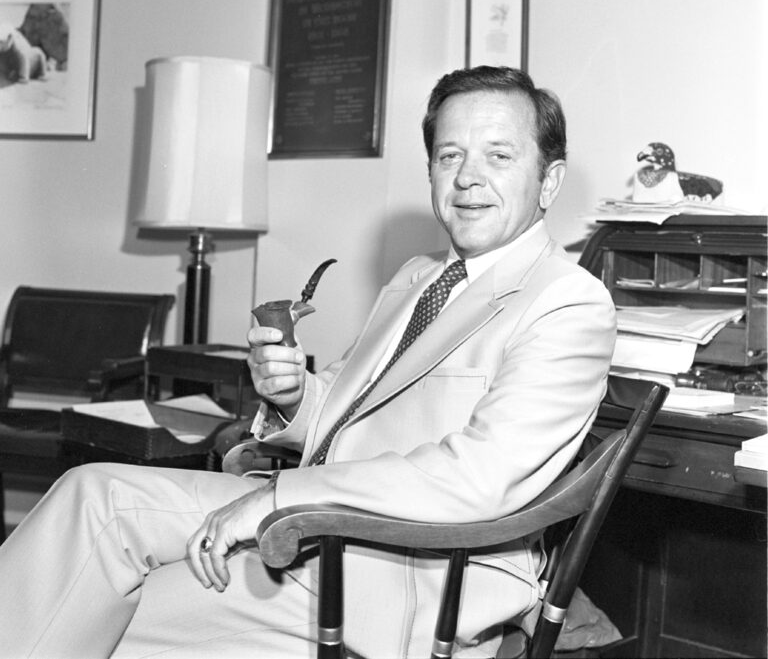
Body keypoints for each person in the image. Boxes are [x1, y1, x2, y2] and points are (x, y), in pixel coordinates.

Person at [0, 66, 616, 659]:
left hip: (406, 573)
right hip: (321, 531)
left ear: (550, 181)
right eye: (449, 156)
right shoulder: (419, 276)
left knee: (87, 612)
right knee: (92, 496)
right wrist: (295, 396)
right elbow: (352, 414)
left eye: (499, 157)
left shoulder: (567, 300)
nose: (467, 179)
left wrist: (278, 501)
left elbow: (479, 478)